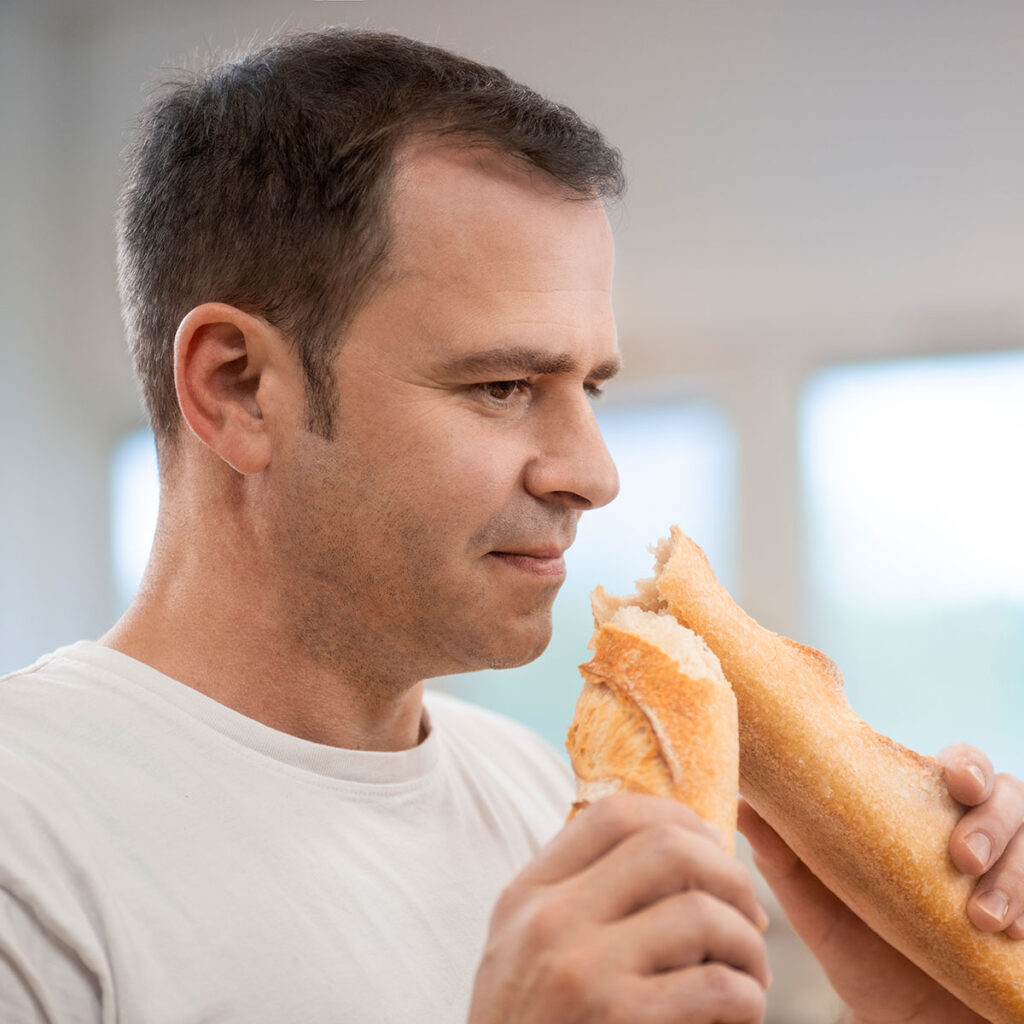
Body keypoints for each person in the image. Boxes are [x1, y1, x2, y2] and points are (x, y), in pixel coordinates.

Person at [1, 28, 1022, 1024]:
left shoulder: (546, 798)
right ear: (238, 388)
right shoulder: (28, 842)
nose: (595, 474)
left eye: (592, 387)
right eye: (501, 386)